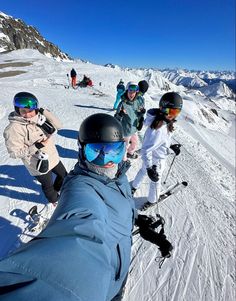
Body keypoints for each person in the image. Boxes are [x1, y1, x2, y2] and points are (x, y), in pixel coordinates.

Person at [0, 113, 173, 300]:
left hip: (115, 277)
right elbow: (79, 237)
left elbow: (115, 205)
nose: (107, 160)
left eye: (114, 151)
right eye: (96, 152)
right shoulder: (79, 188)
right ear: (82, 151)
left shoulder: (118, 177)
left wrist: (136, 219)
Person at [3, 92, 67, 205]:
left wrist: (44, 111)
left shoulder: (40, 118)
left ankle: (59, 190)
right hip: (37, 163)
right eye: (23, 111)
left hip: (53, 156)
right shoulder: (13, 129)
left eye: (30, 111)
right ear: (17, 110)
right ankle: (54, 201)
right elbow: (14, 153)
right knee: (48, 186)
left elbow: (59, 126)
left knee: (64, 176)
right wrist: (37, 146)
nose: (27, 115)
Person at [131, 92, 183, 210]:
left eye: (176, 112)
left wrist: (171, 147)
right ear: (163, 109)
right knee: (156, 181)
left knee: (142, 171)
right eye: (171, 111)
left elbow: (161, 143)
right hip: (156, 161)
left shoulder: (161, 122)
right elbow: (145, 150)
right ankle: (152, 200)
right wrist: (150, 168)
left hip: (151, 159)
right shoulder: (159, 129)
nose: (173, 116)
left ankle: (134, 186)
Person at [115, 81, 146, 160]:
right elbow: (115, 118)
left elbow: (137, 114)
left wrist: (141, 117)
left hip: (133, 128)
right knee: (124, 146)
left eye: (134, 92)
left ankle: (130, 153)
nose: (131, 94)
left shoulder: (137, 102)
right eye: (130, 91)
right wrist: (120, 114)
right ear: (127, 91)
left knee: (135, 143)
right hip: (125, 130)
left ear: (136, 92)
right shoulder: (122, 104)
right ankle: (123, 159)